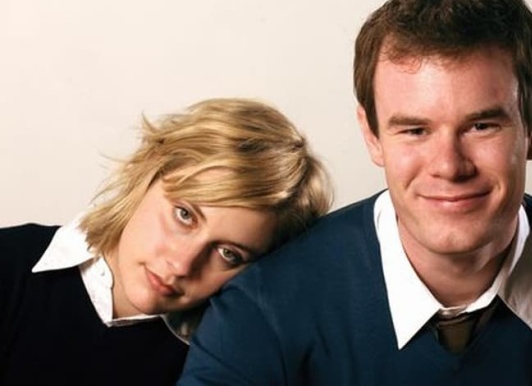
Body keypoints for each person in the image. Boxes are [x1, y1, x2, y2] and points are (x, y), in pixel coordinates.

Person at [178, 0, 532, 385]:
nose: (449, 166)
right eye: (415, 130)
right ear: (372, 136)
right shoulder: (262, 313)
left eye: (481, 126)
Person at [0, 97, 331, 385]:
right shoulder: (11, 262)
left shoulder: (224, 364)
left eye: (228, 253)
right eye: (184, 215)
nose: (182, 264)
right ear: (149, 171)